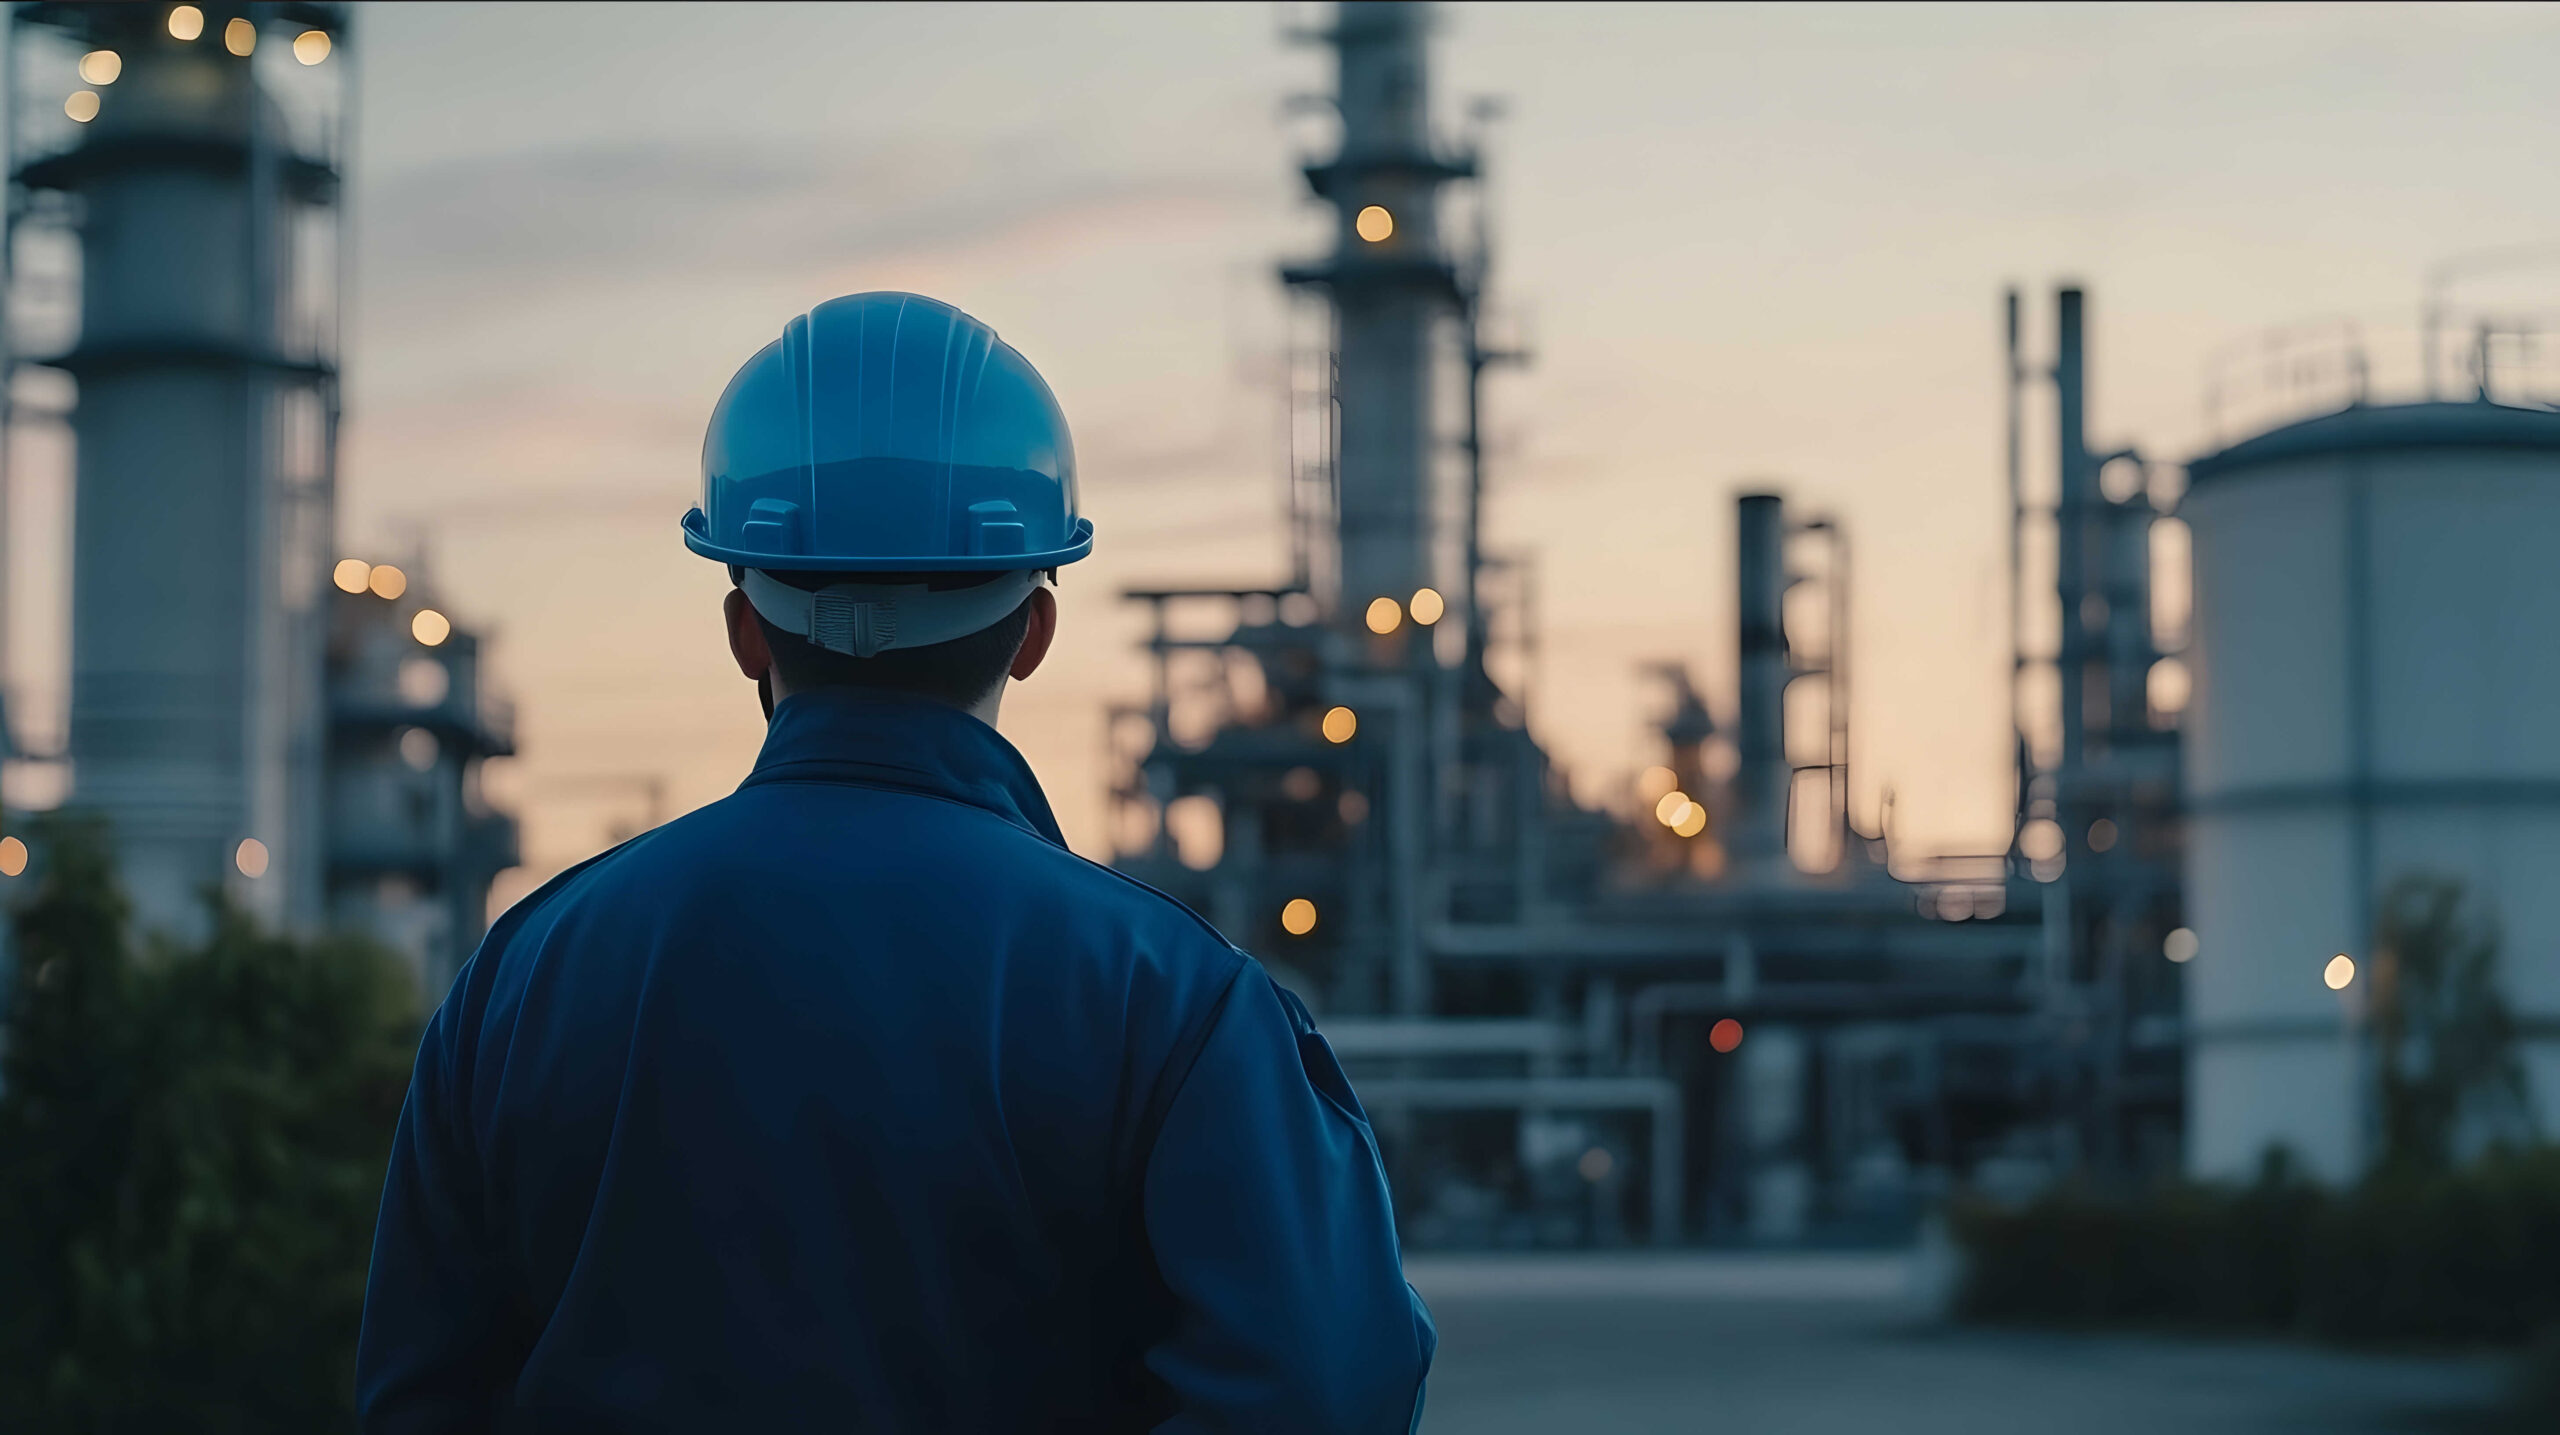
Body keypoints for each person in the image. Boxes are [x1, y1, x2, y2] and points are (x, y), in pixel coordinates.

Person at [355, 292, 1435, 1432]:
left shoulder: (524, 976)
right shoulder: (1168, 998)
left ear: (743, 628)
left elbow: (418, 1391)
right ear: (1033, 631)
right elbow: (1321, 1391)